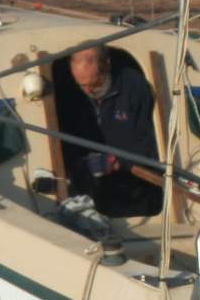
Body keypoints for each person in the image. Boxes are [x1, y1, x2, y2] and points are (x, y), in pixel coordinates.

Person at [59, 45, 163, 217]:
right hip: (92, 191)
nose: (88, 91)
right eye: (81, 85)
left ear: (107, 66)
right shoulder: (71, 94)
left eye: (94, 83)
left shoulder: (134, 88)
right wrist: (80, 163)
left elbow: (152, 144)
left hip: (136, 190)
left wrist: (117, 162)